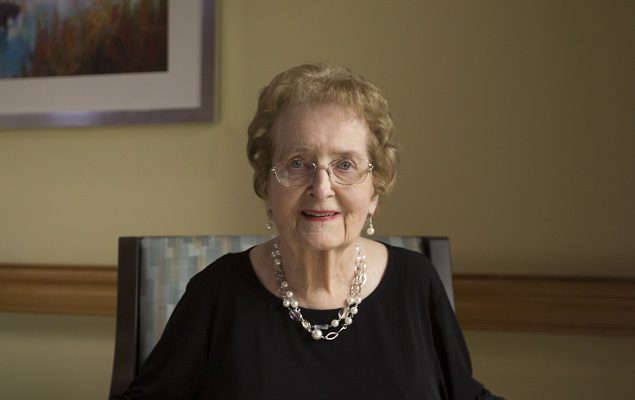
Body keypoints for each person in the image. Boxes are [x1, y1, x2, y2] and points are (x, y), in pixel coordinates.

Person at [113, 62, 503, 399]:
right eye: (298, 163)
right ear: (267, 186)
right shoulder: (216, 294)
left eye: (345, 165)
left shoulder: (417, 284)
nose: (321, 188)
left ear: (376, 190)